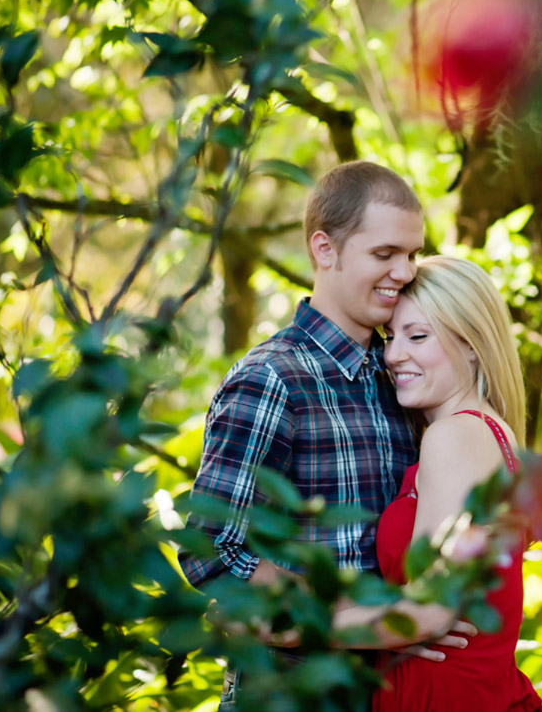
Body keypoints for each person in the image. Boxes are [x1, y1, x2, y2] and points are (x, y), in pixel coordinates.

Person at [179, 161, 466, 708]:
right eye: (384, 254)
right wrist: (372, 616)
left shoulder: (403, 376)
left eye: (412, 254)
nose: (404, 272)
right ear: (324, 250)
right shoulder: (273, 378)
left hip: (390, 691)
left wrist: (420, 618)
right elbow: (212, 549)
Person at [373, 256, 542, 712]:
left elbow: (429, 611)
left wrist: (287, 626)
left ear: (472, 345)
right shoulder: (492, 433)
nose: (393, 354)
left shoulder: (455, 436)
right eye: (391, 337)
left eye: (418, 336)